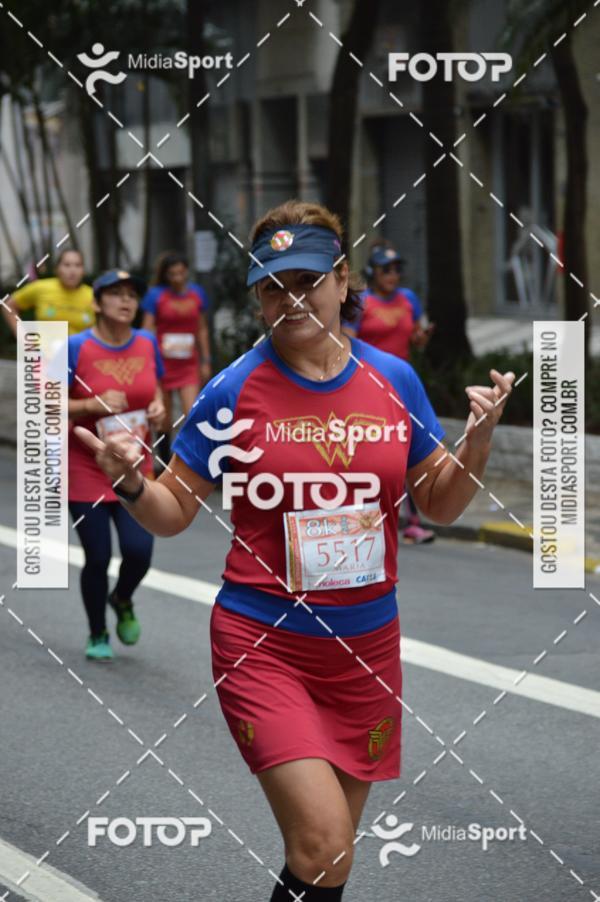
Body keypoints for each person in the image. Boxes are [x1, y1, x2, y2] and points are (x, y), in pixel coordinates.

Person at [74, 201, 514, 899]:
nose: (293, 299)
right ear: (256, 299)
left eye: (309, 280)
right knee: (320, 840)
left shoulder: (393, 382)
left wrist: (478, 443)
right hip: (264, 643)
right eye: (274, 286)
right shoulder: (233, 391)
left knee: (333, 861)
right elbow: (172, 513)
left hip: (367, 649)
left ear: (344, 282)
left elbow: (437, 503)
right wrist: (132, 482)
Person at [67, 270, 165, 661]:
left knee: (140, 551)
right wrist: (90, 405)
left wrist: (158, 406)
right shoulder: (75, 347)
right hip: (86, 464)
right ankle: (97, 633)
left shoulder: (148, 342)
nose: (126, 301)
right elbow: (46, 403)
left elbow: (153, 386)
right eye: (115, 294)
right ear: (96, 303)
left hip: (134, 466)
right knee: (99, 555)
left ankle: (122, 598)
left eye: (132, 295)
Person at [344, 241, 437, 544]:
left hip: (402, 387)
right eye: (386, 269)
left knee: (408, 451)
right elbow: (345, 342)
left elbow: (418, 340)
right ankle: (363, 517)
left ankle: (411, 520)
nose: (393, 275)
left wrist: (423, 337)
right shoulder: (362, 302)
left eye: (397, 269)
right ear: (373, 272)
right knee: (368, 453)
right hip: (368, 389)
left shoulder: (409, 299)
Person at [141, 252, 211, 462]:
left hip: (188, 364)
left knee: (192, 413)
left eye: (181, 273)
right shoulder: (156, 295)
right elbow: (147, 329)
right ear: (166, 275)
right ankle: (164, 462)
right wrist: (147, 361)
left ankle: (192, 461)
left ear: (186, 272)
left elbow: (202, 329)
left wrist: (206, 360)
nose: (178, 278)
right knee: (165, 419)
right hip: (162, 363)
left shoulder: (197, 293)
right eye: (172, 274)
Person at [1, 248, 94, 336]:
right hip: (44, 351)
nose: (72, 271)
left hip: (80, 351)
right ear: (57, 269)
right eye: (67, 265)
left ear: (83, 270)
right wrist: (23, 337)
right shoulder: (41, 288)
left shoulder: (93, 295)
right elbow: (8, 306)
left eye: (78, 265)